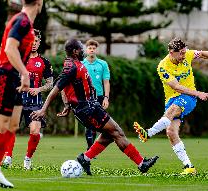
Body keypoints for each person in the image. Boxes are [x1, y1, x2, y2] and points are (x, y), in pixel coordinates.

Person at [31, 38, 159, 176]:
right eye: (81, 48)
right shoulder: (71, 67)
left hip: (92, 106)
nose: (83, 51)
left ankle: (85, 158)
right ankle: (141, 164)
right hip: (87, 110)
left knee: (110, 135)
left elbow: (65, 87)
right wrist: (44, 109)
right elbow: (56, 89)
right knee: (117, 132)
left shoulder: (75, 64)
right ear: (75, 51)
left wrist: (67, 104)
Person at [134, 37, 208, 175]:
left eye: (184, 52)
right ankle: (189, 167)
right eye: (180, 53)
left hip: (189, 97)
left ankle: (148, 133)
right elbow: (176, 87)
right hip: (173, 98)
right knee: (171, 132)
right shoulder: (163, 67)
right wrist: (199, 92)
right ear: (171, 52)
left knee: (172, 111)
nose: (183, 55)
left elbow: (203, 54)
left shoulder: (186, 54)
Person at [0, 0, 43, 189]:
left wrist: (20, 74)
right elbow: (9, 48)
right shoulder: (22, 21)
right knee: (0, 125)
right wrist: (25, 73)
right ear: (39, 3)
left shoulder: (27, 24)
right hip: (4, 76)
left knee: (13, 125)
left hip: (13, 78)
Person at [2, 29, 53, 170]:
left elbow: (50, 84)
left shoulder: (45, 62)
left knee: (35, 132)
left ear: (39, 42)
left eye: (36, 41)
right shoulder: (17, 58)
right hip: (17, 100)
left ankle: (27, 160)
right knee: (11, 129)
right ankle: (8, 157)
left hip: (35, 103)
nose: (34, 44)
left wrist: (39, 89)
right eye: (31, 41)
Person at [82, 39, 110, 150]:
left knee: (102, 124)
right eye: (90, 48)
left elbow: (106, 82)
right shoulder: (82, 64)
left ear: (96, 50)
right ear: (86, 49)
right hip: (85, 98)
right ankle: (90, 149)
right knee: (89, 125)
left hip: (99, 97)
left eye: (94, 48)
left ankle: (96, 148)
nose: (92, 50)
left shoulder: (103, 64)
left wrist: (106, 98)